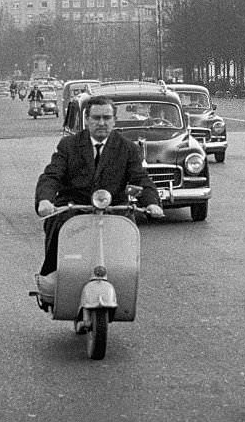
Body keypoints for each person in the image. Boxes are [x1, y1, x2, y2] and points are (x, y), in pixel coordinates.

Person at [33, 95, 164, 303]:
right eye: (96, 118)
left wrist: (152, 203)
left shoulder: (128, 148)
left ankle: (124, 281)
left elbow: (140, 178)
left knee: (128, 236)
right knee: (57, 224)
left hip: (114, 209)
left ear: (114, 120)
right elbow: (52, 175)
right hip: (74, 208)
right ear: (87, 119)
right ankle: (52, 275)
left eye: (106, 118)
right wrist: (45, 200)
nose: (101, 123)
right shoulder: (69, 145)